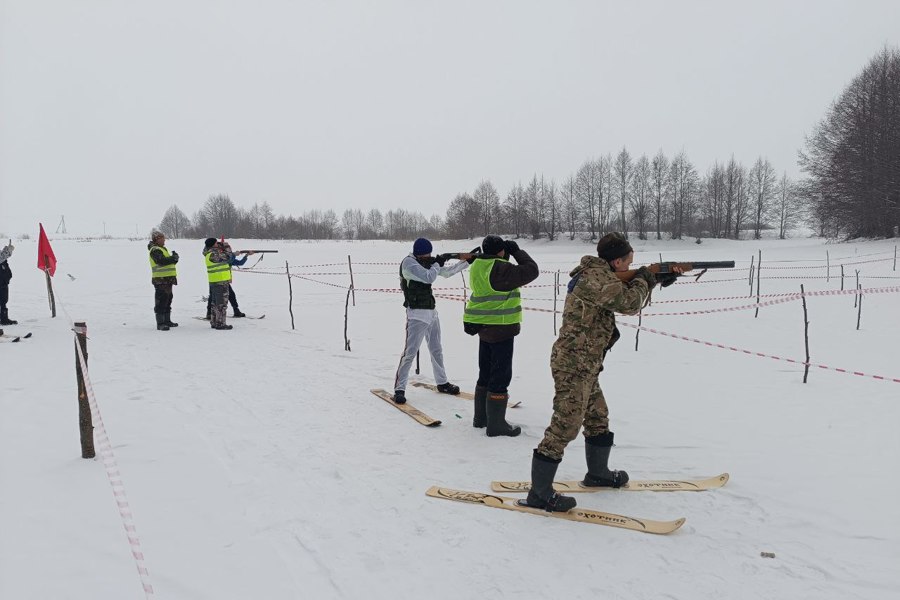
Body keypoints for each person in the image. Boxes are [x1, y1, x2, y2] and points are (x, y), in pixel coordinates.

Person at [523, 232, 674, 512]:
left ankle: (598, 475)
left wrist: (653, 279)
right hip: (573, 365)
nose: (631, 267)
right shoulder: (596, 279)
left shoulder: (603, 276)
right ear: (617, 261)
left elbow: (625, 294)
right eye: (628, 262)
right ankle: (539, 492)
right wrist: (646, 278)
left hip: (586, 363)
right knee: (565, 425)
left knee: (597, 416)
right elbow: (629, 303)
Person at [462, 235, 539, 437]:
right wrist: (516, 251)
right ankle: (496, 425)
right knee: (500, 375)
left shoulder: (479, 265)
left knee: (485, 372)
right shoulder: (500, 268)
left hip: (483, 327)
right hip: (501, 328)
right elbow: (531, 270)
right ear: (500, 252)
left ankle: (481, 418)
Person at [392, 238, 475, 404]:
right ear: (420, 252)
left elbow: (446, 272)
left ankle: (442, 383)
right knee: (410, 353)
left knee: (437, 350)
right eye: (427, 253)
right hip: (416, 314)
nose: (430, 255)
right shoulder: (409, 263)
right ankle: (399, 389)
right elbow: (429, 277)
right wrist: (437, 263)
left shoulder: (425, 262)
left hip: (431, 312)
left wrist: (467, 262)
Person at [204, 238, 251, 319]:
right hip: (219, 279)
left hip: (219, 279)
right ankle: (213, 315)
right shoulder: (217, 255)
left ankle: (234, 310)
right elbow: (229, 259)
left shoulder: (217, 255)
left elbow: (240, 263)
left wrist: (246, 255)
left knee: (225, 296)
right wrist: (233, 254)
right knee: (217, 299)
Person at [148, 231, 179, 331]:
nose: (164, 240)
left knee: (168, 299)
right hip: (160, 280)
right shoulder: (155, 250)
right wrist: (172, 258)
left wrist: (174, 259)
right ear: (157, 239)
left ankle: (167, 321)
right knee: (161, 300)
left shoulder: (162, 249)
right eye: (162, 238)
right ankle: (160, 323)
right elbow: (161, 261)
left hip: (168, 279)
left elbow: (167, 262)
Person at [0, 241, 16, 325]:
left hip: (3, 281)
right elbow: (1, 257)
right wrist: (8, 250)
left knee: (3, 300)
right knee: (2, 300)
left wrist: (7, 249)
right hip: (1, 281)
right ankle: (3, 319)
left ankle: (3, 319)